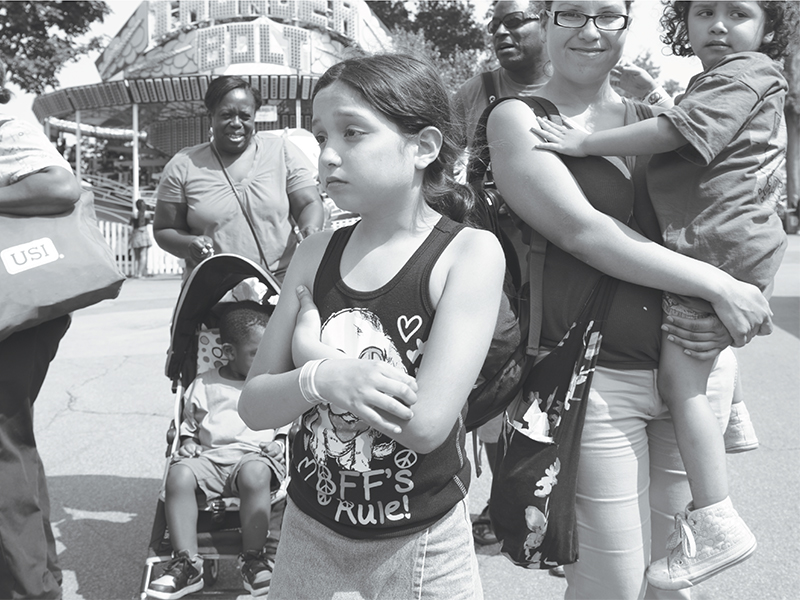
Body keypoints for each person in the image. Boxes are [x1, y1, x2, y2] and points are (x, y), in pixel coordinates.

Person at [484, 1, 775, 598]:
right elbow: (582, 232)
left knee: (672, 582)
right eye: (570, 13)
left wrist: (735, 301)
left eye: (607, 15)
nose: (590, 30)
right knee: (611, 585)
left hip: (689, 363)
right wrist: (719, 288)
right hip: (598, 383)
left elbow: (733, 211)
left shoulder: (659, 119)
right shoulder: (520, 118)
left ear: (627, 26)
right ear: (546, 21)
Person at [238, 53, 504, 599]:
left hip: (424, 541)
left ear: (424, 147)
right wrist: (322, 380)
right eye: (321, 136)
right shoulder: (313, 255)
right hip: (308, 532)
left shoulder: (467, 254)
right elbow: (255, 404)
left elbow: (427, 424)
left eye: (353, 133)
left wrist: (318, 359)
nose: (328, 156)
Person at [0, 61, 82, 599]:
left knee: (5, 449)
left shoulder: (6, 123)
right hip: (16, 308)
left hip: (15, 311)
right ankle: (39, 577)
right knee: (14, 443)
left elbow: (61, 184)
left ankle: (29, 586)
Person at [147, 301, 287, 600]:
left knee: (255, 474)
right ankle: (187, 562)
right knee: (178, 476)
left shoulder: (271, 382)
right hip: (210, 458)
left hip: (255, 456)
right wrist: (186, 442)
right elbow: (189, 424)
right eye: (254, 353)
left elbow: (287, 421)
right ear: (228, 352)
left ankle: (253, 558)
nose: (263, 358)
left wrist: (280, 442)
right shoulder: (204, 383)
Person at [153, 76, 325, 281]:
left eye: (245, 116)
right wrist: (190, 244)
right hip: (214, 287)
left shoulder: (282, 151)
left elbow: (308, 203)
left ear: (254, 117)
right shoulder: (183, 164)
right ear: (211, 115)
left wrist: (309, 228)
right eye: (226, 115)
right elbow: (165, 229)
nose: (236, 123)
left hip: (280, 283)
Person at [130, 198, 152, 278]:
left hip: (136, 234)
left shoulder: (133, 215)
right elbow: (148, 223)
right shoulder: (147, 214)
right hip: (144, 233)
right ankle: (141, 273)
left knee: (136, 256)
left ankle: (136, 273)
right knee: (143, 255)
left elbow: (130, 224)